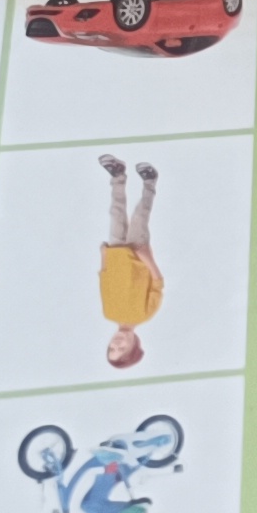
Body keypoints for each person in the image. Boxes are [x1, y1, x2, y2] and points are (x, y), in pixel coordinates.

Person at [97, 152, 162, 371]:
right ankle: (150, 182)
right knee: (139, 217)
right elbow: (157, 284)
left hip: (115, 256)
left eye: (112, 348)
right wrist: (147, 258)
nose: (116, 344)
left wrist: (104, 257)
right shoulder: (145, 314)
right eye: (121, 348)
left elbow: (106, 284)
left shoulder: (109, 313)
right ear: (134, 345)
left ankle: (118, 175)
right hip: (137, 255)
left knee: (116, 212)